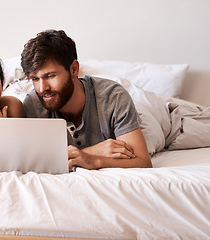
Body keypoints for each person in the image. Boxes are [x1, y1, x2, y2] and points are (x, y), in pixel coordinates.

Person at [21, 30, 152, 171]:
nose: (42, 88)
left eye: (50, 76)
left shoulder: (112, 96)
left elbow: (143, 161)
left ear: (74, 69)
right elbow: (32, 162)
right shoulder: (33, 104)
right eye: (35, 79)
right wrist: (91, 153)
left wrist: (94, 161)